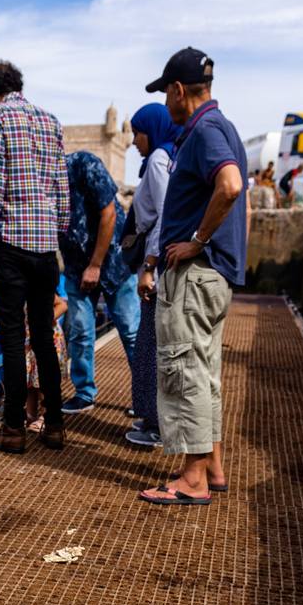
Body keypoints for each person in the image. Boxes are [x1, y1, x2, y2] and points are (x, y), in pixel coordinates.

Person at [139, 47, 247, 506]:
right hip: (212, 275)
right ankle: (213, 469)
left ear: (179, 90)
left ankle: (192, 480)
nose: (166, 104)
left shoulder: (204, 130)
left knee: (183, 371)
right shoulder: (222, 128)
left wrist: (197, 240)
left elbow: (230, 185)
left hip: (196, 273)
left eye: (166, 94)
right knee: (203, 373)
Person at [0, 59, 70, 453]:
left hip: (11, 244)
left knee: (12, 338)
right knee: (43, 336)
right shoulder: (50, 121)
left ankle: (13, 429)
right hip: (46, 247)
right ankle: (56, 425)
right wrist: (53, 233)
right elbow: (62, 190)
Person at [58, 151, 140, 414]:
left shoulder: (85, 164)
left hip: (114, 262)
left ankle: (146, 397)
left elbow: (109, 214)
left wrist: (95, 265)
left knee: (131, 330)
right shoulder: (39, 179)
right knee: (80, 331)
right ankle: (84, 393)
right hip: (75, 265)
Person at [126, 103, 181, 448]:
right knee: (153, 344)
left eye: (137, 132)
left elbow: (164, 215)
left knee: (151, 346)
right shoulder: (163, 157)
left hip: (156, 267)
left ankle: (156, 425)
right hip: (159, 263)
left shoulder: (160, 160)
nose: (133, 141)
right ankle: (155, 420)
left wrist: (149, 266)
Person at [26, 294, 68, 431]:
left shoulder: (34, 285)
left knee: (42, 380)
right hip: (27, 338)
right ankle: (30, 415)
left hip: (47, 337)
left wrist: (46, 320)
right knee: (30, 382)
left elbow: (62, 305)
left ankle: (45, 416)